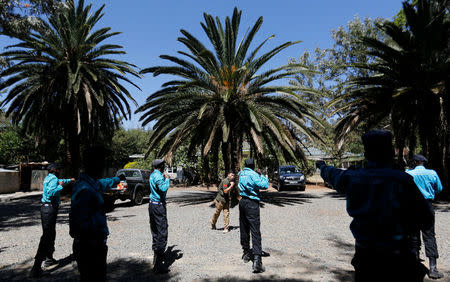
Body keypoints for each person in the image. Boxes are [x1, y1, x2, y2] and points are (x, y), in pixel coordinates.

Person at [317, 130, 433, 282]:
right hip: (399, 255)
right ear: (391, 153)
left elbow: (332, 174)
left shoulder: (353, 178)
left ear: (366, 154)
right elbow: (426, 217)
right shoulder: (403, 180)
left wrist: (322, 166)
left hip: (366, 255)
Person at [69, 146, 125, 281]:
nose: (103, 166)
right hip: (90, 247)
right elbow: (82, 224)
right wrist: (104, 205)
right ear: (94, 164)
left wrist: (117, 179)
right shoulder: (85, 190)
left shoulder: (90, 182)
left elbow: (103, 183)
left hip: (93, 244)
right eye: (101, 162)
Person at [30, 164, 75, 277]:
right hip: (49, 208)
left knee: (51, 234)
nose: (60, 171)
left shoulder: (49, 177)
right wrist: (61, 186)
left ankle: (49, 258)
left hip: (47, 208)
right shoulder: (54, 179)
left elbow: (60, 180)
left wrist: (69, 180)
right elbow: (51, 192)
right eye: (59, 169)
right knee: (46, 236)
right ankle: (36, 268)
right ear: (56, 170)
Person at [407, 154, 444, 279]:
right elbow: (439, 188)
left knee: (413, 235)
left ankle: (414, 265)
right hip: (427, 206)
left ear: (414, 162)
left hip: (411, 207)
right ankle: (433, 268)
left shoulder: (408, 173)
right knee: (429, 236)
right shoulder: (432, 173)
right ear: (422, 163)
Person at [238, 158, 269, 273]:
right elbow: (264, 185)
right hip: (252, 203)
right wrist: (261, 175)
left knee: (244, 228)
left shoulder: (241, 173)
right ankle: (257, 261)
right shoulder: (253, 174)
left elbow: (240, 176)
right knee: (255, 230)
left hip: (242, 202)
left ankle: (246, 253)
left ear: (245, 164)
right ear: (253, 165)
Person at [149, 158, 171, 274]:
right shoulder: (158, 176)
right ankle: (158, 265)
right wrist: (167, 180)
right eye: (164, 165)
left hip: (152, 206)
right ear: (161, 166)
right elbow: (163, 188)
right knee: (162, 232)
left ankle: (155, 257)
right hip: (158, 207)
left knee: (155, 231)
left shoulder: (153, 175)